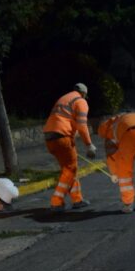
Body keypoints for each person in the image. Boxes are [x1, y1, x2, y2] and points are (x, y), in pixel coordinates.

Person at [44, 83, 97, 212]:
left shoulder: (64, 98)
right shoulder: (81, 101)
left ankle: (77, 199)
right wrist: (89, 145)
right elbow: (82, 126)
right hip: (62, 137)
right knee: (70, 169)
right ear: (84, 94)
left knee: (68, 169)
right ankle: (56, 202)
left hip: (50, 137)